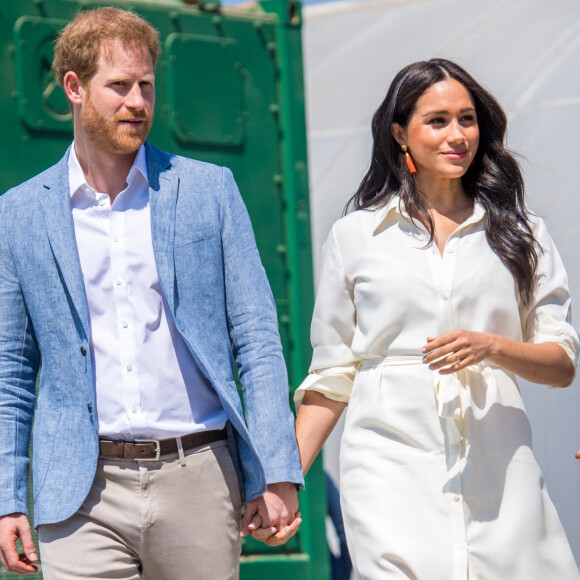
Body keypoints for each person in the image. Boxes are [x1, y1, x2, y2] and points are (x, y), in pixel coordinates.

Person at [0, 7, 302, 579]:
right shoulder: (19, 214)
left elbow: (258, 340)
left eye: (146, 85)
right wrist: (8, 496)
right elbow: (11, 371)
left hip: (200, 475)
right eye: (118, 86)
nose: (137, 102)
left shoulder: (209, 192)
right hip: (80, 492)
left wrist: (277, 470)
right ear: (73, 88)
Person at [294, 58, 579, 580]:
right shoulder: (356, 236)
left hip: (499, 467)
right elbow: (331, 374)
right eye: (438, 121)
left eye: (467, 119)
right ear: (400, 133)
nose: (458, 135)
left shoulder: (523, 233)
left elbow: (561, 364)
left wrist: (492, 347)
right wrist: (284, 478)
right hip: (386, 464)